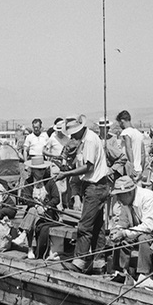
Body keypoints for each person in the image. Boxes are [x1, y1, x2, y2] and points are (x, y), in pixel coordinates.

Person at [58, 115, 112, 274]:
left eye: (73, 133)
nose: (72, 137)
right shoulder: (90, 137)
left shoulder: (88, 141)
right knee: (97, 226)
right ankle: (98, 261)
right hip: (100, 185)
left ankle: (79, 262)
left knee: (85, 225)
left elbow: (88, 167)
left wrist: (66, 174)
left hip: (94, 186)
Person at [107, 175, 153, 283]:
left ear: (129, 192)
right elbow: (123, 222)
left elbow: (148, 227)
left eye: (120, 196)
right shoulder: (126, 202)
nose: (118, 199)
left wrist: (124, 233)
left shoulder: (147, 198)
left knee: (143, 239)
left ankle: (145, 275)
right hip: (143, 228)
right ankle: (120, 272)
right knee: (122, 239)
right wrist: (117, 231)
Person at [17, 153, 61, 259]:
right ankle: (30, 248)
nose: (41, 172)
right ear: (33, 170)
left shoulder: (49, 182)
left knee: (31, 212)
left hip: (48, 213)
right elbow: (25, 198)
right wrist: (37, 206)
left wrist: (45, 207)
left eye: (43, 169)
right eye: (38, 170)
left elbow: (56, 198)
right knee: (32, 210)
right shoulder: (28, 182)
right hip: (34, 210)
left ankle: (24, 234)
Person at [116, 110, 147, 179]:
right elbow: (143, 154)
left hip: (129, 168)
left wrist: (131, 165)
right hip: (138, 168)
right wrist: (142, 168)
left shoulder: (126, 132)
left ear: (122, 121)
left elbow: (128, 148)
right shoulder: (139, 134)